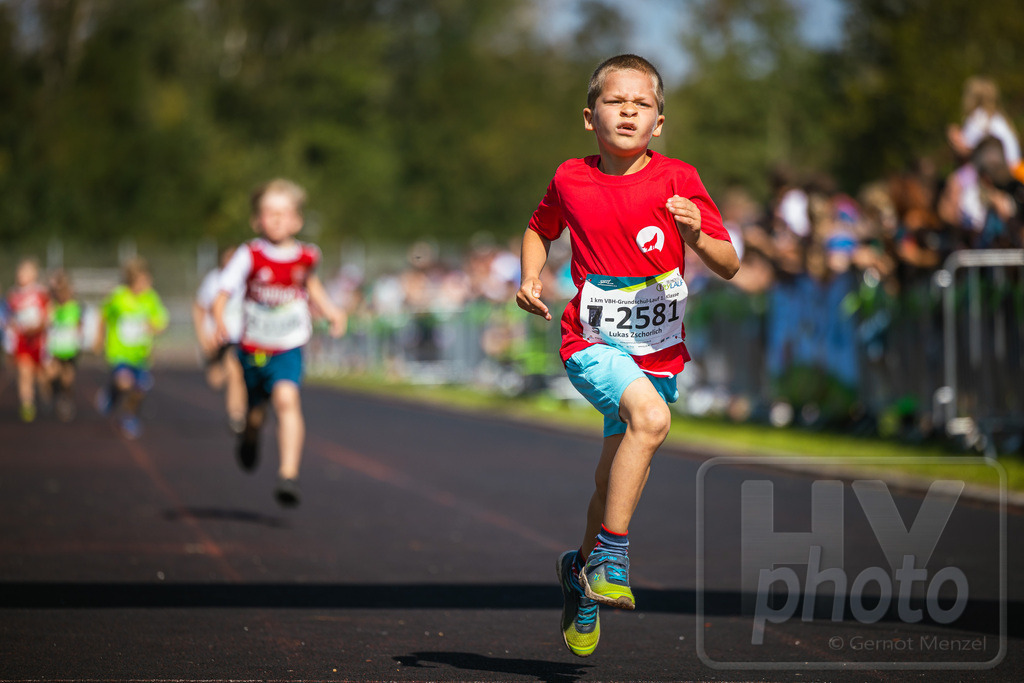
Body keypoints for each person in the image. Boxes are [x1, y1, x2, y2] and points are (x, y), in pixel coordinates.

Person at [516, 54, 739, 657]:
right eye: (616, 102)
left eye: (641, 104)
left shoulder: (679, 179)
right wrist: (531, 277)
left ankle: (581, 575)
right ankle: (612, 559)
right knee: (652, 421)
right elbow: (540, 227)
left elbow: (730, 262)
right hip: (590, 340)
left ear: (659, 122)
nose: (628, 111)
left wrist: (695, 234)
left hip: (658, 351)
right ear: (591, 117)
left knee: (615, 474)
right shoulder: (570, 178)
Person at [212, 178, 346, 508]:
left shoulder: (307, 255)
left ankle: (288, 475)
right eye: (269, 213)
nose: (276, 220)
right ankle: (250, 436)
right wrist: (218, 319)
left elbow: (311, 285)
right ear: (257, 220)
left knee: (287, 399)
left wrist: (332, 312)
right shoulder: (249, 254)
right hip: (254, 347)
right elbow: (224, 291)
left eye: (283, 213)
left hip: (288, 344)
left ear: (297, 220)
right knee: (256, 412)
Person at [94, 257, 169, 439]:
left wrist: (154, 326)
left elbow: (161, 320)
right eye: (144, 279)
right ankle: (112, 394)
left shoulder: (150, 298)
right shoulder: (118, 297)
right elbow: (103, 315)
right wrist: (99, 337)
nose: (148, 282)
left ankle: (128, 416)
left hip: (140, 356)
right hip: (119, 353)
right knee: (124, 382)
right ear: (133, 280)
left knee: (139, 390)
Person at [193, 245, 247, 434]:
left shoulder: (247, 280)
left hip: (238, 337)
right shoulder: (214, 280)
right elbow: (199, 308)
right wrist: (203, 336)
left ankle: (236, 416)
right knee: (216, 381)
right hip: (215, 336)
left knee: (235, 372)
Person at [6, 258, 50, 422]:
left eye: (25, 272)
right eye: (20, 272)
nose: (21, 275)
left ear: (34, 274)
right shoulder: (13, 294)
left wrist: (39, 327)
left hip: (38, 340)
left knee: (41, 375)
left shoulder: (41, 293)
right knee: (25, 373)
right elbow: (10, 318)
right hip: (22, 340)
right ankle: (27, 405)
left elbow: (48, 316)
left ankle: (46, 396)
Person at [45, 269, 83, 422]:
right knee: (51, 375)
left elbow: (79, 325)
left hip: (70, 349)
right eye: (57, 291)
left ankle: (66, 399)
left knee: (68, 379)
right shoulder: (51, 307)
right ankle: (56, 398)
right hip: (54, 349)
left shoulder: (74, 307)